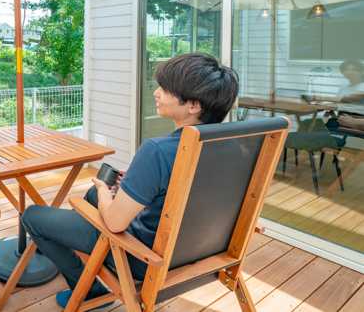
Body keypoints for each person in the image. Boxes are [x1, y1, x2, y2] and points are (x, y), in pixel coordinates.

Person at [22, 53, 239, 310]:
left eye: (166, 89)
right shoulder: (233, 146)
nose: (157, 93)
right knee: (93, 196)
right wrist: (139, 178)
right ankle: (82, 241)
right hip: (202, 250)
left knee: (34, 215)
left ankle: (88, 290)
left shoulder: (157, 150)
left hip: (143, 256)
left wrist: (105, 189)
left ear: (193, 105)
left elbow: (114, 224)